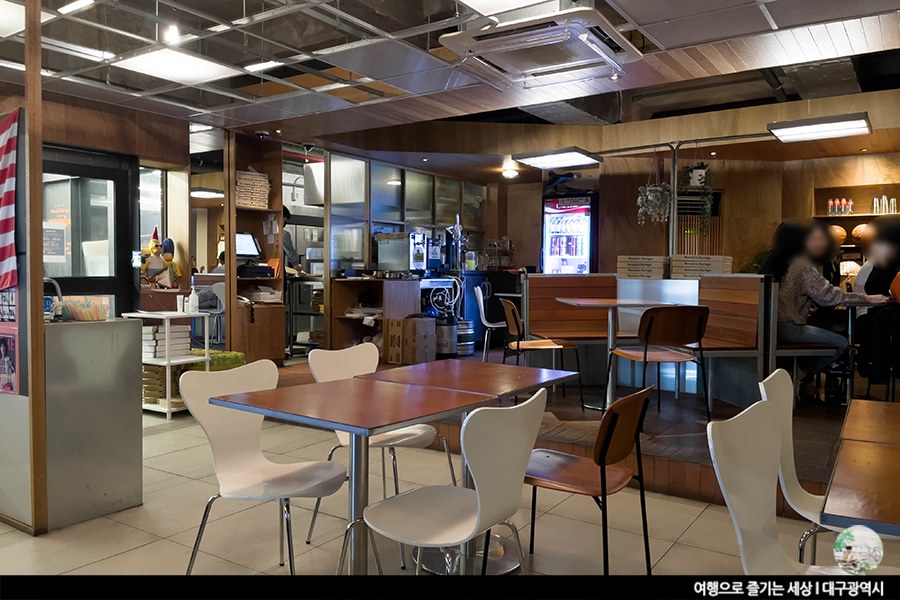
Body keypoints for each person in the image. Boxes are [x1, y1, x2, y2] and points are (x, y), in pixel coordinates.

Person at [759, 220, 889, 382]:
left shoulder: (771, 264)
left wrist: (804, 306)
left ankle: (801, 376)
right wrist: (867, 298)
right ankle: (796, 376)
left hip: (768, 329)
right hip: (790, 330)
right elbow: (829, 296)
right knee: (842, 344)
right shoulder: (802, 266)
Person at [857, 223, 900, 384]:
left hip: (874, 315)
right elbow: (873, 288)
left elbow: (873, 288)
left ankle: (877, 368)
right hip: (873, 314)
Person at [283, 206, 302, 274]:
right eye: (285, 219)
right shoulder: (283, 234)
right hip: (278, 272)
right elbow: (290, 253)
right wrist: (296, 265)